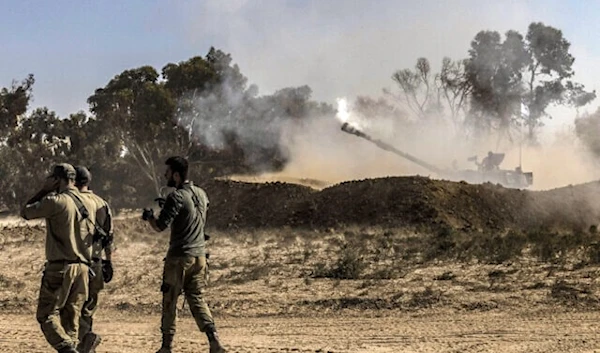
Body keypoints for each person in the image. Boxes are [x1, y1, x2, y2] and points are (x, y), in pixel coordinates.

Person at [142, 156, 226, 353]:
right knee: (196, 298)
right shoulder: (202, 194)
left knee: (170, 299)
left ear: (177, 175)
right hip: (200, 256)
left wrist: (150, 217)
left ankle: (166, 346)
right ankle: (214, 340)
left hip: (180, 257)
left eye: (168, 172)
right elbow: (191, 217)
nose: (165, 175)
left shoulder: (176, 197)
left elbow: (160, 226)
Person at [21, 163, 97, 353]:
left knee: (46, 315)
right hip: (83, 270)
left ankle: (68, 349)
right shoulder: (90, 202)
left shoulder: (56, 201)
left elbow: (26, 211)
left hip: (61, 268)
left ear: (57, 180)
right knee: (70, 319)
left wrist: (43, 190)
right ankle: (74, 346)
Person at [74, 166, 115, 353]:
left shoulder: (70, 201)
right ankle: (86, 340)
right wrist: (109, 261)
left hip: (76, 261)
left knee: (71, 306)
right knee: (89, 307)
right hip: (96, 261)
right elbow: (108, 236)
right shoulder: (102, 203)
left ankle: (81, 343)